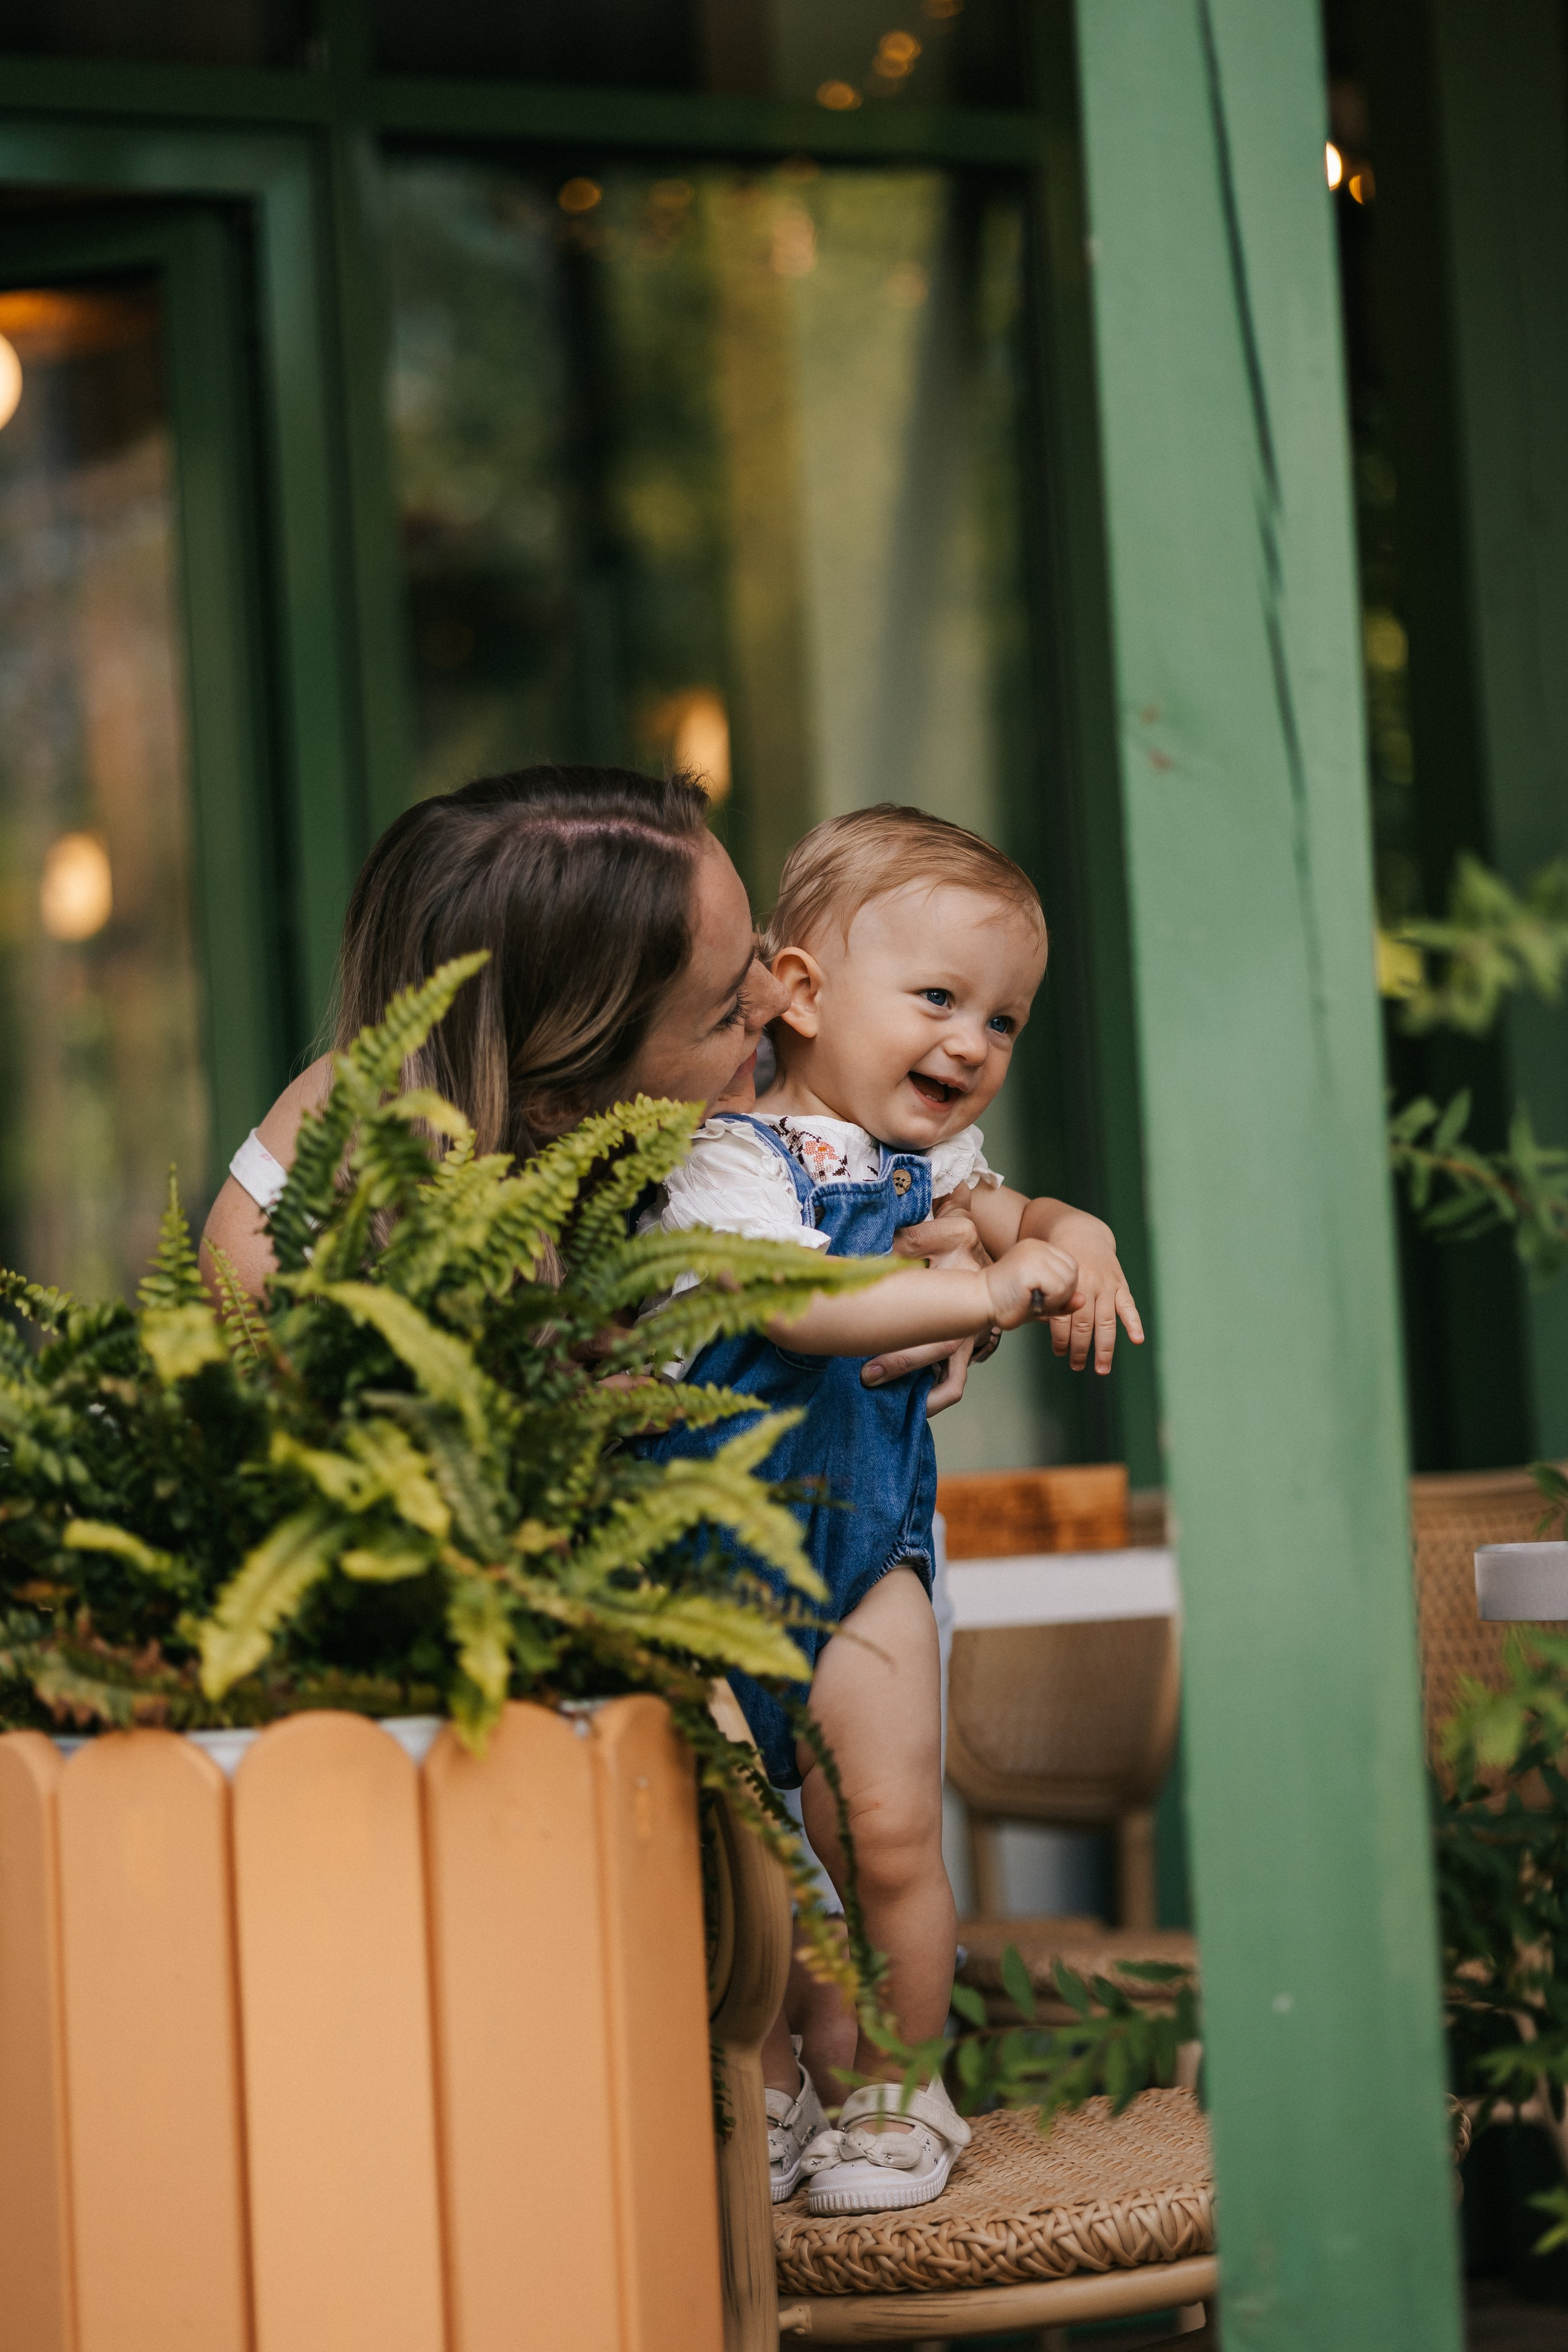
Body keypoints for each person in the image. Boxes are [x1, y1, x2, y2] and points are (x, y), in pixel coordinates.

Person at [638, 803, 1143, 2217]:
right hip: (710, 1571)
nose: (973, 1043)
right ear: (797, 993)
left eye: (1003, 1019)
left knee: (885, 1834)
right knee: (763, 1866)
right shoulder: (728, 1159)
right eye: (936, 1000)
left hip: (866, 1565)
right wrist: (986, 1293)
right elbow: (804, 1306)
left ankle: (902, 2086)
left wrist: (1072, 1239)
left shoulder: (938, 1172)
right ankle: (800, 2079)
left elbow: (1018, 1215)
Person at [203, 769, 992, 1430]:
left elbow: (915, 1204)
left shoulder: (773, 1051)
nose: (779, 1002)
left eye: (756, 948)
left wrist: (954, 1264)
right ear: (561, 1102)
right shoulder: (287, 1247)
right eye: (724, 1011)